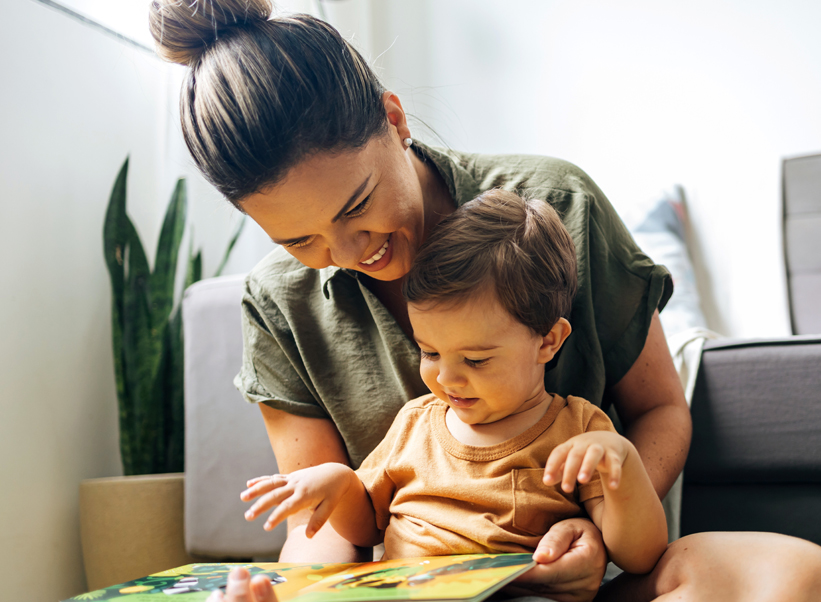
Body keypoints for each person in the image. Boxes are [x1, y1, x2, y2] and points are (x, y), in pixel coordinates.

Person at [146, 1, 821, 601]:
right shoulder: (277, 302)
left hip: (574, 578)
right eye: (300, 239)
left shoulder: (557, 206)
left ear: (392, 116)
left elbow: (659, 409)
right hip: (419, 587)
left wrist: (596, 532)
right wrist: (293, 594)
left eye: (357, 206)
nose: (350, 253)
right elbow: (324, 524)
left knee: (790, 575)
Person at [240, 190, 669, 576]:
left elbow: (640, 557)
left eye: (476, 359)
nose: (446, 378)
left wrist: (625, 468)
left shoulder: (579, 431)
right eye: (429, 352)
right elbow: (368, 526)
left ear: (549, 341)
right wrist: (337, 484)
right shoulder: (415, 424)